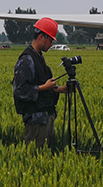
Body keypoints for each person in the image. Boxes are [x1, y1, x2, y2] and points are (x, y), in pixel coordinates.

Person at [13, 17, 67, 149]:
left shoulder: (39, 57)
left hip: (46, 117)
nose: (51, 44)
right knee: (35, 157)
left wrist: (60, 89)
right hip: (35, 121)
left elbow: (43, 85)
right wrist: (44, 87)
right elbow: (20, 91)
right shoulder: (27, 60)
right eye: (50, 40)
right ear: (42, 37)